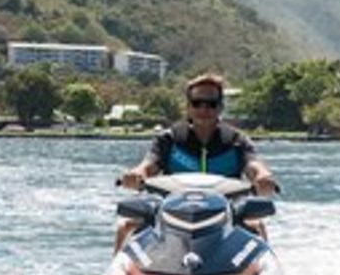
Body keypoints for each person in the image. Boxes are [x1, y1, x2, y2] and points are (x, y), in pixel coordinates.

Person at [115, 73, 276, 251]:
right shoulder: (168, 139)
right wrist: (136, 175)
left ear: (220, 107)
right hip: (171, 214)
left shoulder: (237, 141)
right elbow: (148, 165)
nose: (203, 109)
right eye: (197, 103)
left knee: (256, 225)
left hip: (227, 215)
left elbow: (254, 165)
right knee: (126, 226)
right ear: (188, 107)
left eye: (211, 104)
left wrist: (263, 176)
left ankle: (267, 273)